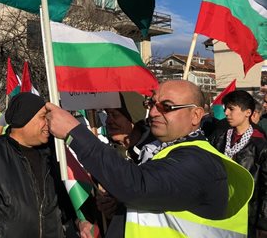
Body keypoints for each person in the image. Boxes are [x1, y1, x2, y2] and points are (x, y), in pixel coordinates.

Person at [46, 80, 254, 237]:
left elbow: (138, 186)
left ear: (196, 115)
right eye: (151, 103)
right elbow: (159, 206)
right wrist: (121, 208)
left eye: (167, 107)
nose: (153, 112)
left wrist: (74, 131)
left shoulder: (199, 160)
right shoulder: (165, 151)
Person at [0, 92, 86, 238]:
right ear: (23, 119)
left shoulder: (52, 153)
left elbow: (64, 200)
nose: (48, 123)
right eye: (42, 117)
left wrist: (80, 222)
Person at [209, 90, 267, 237]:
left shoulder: (260, 144)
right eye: (225, 109)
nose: (226, 113)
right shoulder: (219, 137)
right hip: (219, 207)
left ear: (248, 112)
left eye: (231, 109)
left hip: (247, 213)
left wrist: (263, 222)